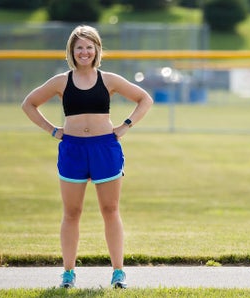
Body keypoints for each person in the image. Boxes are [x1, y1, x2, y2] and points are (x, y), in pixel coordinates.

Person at [21, 25, 153, 289]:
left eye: (89, 47)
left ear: (97, 50)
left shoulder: (109, 80)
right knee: (72, 212)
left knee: (110, 210)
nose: (84, 52)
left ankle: (118, 273)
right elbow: (29, 103)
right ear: (72, 51)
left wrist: (125, 125)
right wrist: (53, 130)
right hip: (72, 149)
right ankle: (68, 274)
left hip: (105, 148)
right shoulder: (61, 81)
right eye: (79, 47)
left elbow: (144, 99)